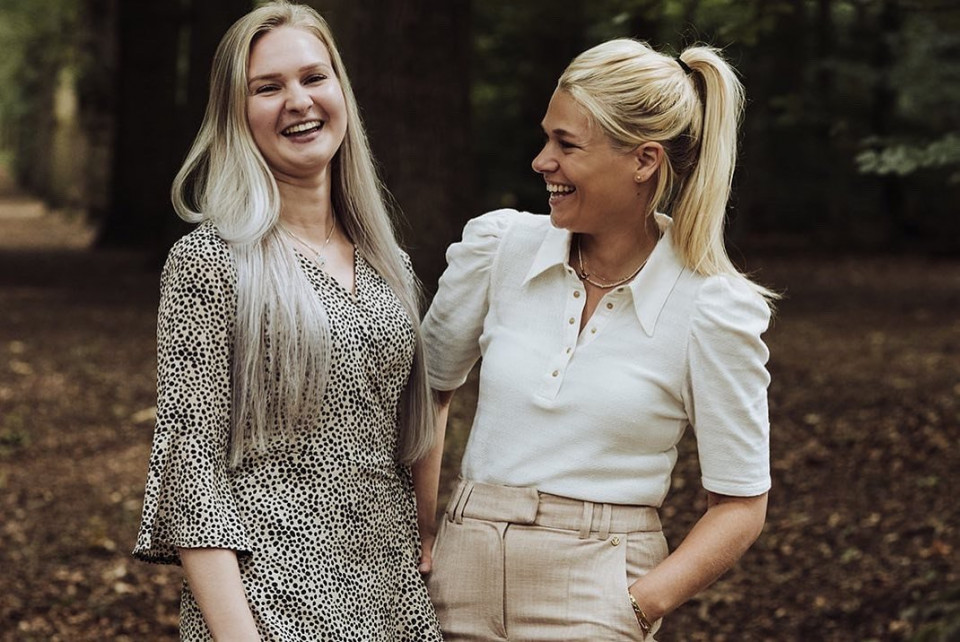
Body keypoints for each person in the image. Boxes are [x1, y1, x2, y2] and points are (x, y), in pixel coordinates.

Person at [417, 38, 776, 640]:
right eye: (545, 136)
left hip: (596, 588)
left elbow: (740, 504)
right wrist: (423, 529)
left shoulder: (710, 305)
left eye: (566, 144)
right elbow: (426, 389)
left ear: (644, 160)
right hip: (460, 571)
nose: (541, 161)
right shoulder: (500, 248)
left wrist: (634, 606)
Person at [132, 2, 441, 640]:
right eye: (268, 88)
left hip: (394, 601)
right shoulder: (210, 262)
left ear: (341, 91)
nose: (297, 100)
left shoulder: (391, 265)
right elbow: (192, 476)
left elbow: (414, 433)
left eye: (313, 77)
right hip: (271, 605)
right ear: (236, 116)